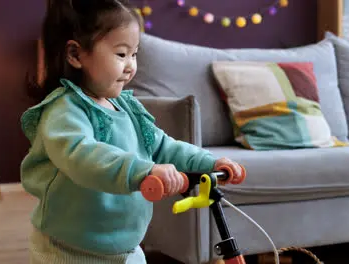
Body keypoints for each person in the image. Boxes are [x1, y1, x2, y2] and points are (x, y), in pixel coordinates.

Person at [20, 1, 244, 263]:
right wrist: (144, 171)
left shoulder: (127, 107)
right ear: (76, 55)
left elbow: (163, 146)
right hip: (68, 249)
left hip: (125, 246)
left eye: (134, 54)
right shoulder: (64, 110)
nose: (130, 66)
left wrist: (209, 162)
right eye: (121, 54)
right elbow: (83, 157)